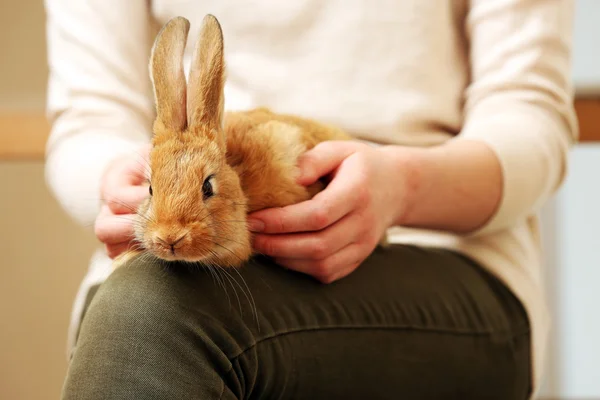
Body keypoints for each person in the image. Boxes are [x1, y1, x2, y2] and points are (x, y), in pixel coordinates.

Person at [44, 0, 577, 398]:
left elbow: (529, 113)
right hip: (165, 256)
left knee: (154, 317)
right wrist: (123, 183)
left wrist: (403, 186)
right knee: (145, 304)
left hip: (434, 245)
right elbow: (91, 117)